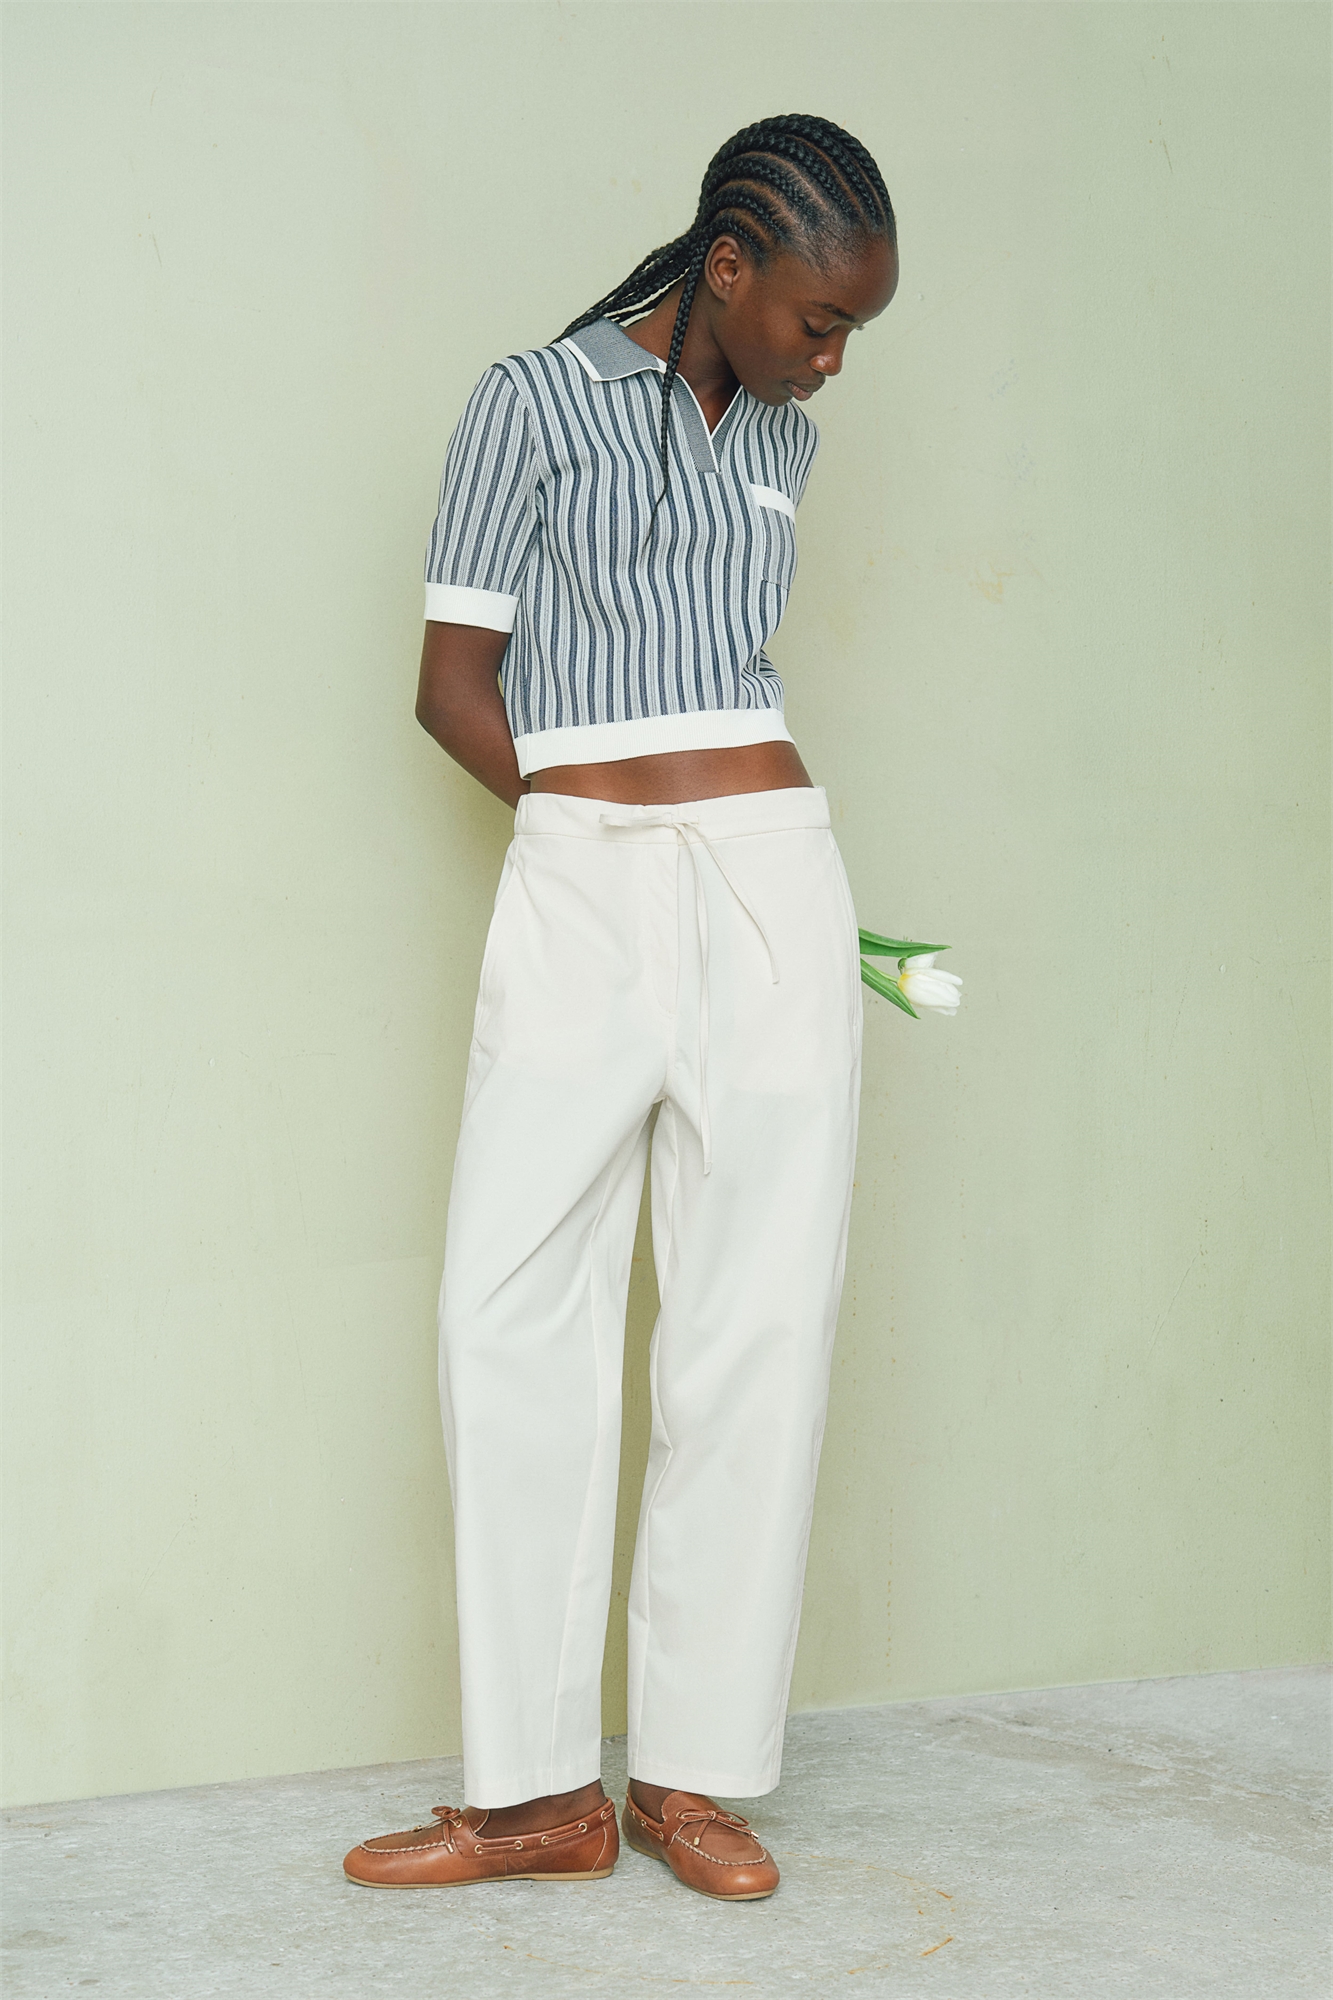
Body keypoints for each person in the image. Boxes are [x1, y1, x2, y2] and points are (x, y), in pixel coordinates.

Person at [344, 112, 898, 1903]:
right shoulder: (525, 403)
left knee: (755, 1327)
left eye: (851, 330)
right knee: (506, 1314)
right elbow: (451, 683)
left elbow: (722, 675)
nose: (832, 358)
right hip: (582, 883)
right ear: (727, 267)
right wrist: (588, 833)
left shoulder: (786, 438)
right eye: (819, 318)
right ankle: (530, 1798)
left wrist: (720, 860)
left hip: (773, 879)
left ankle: (690, 1777)